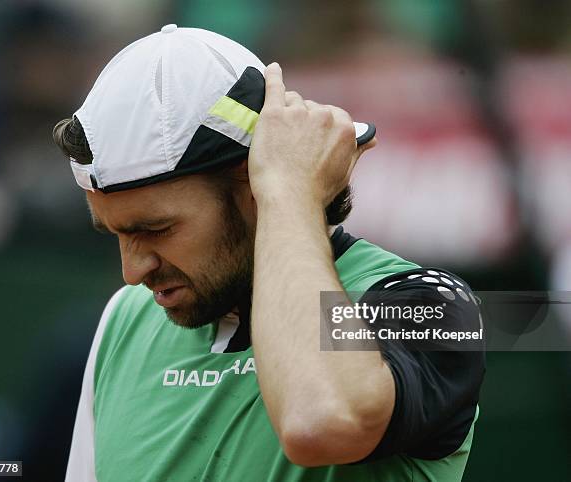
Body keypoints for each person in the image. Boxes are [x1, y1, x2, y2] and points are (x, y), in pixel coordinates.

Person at [53, 25, 485, 482]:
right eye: (115, 233)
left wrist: (291, 191)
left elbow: (319, 423)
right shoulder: (125, 319)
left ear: (255, 183)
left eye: (156, 229)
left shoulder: (430, 303)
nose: (132, 271)